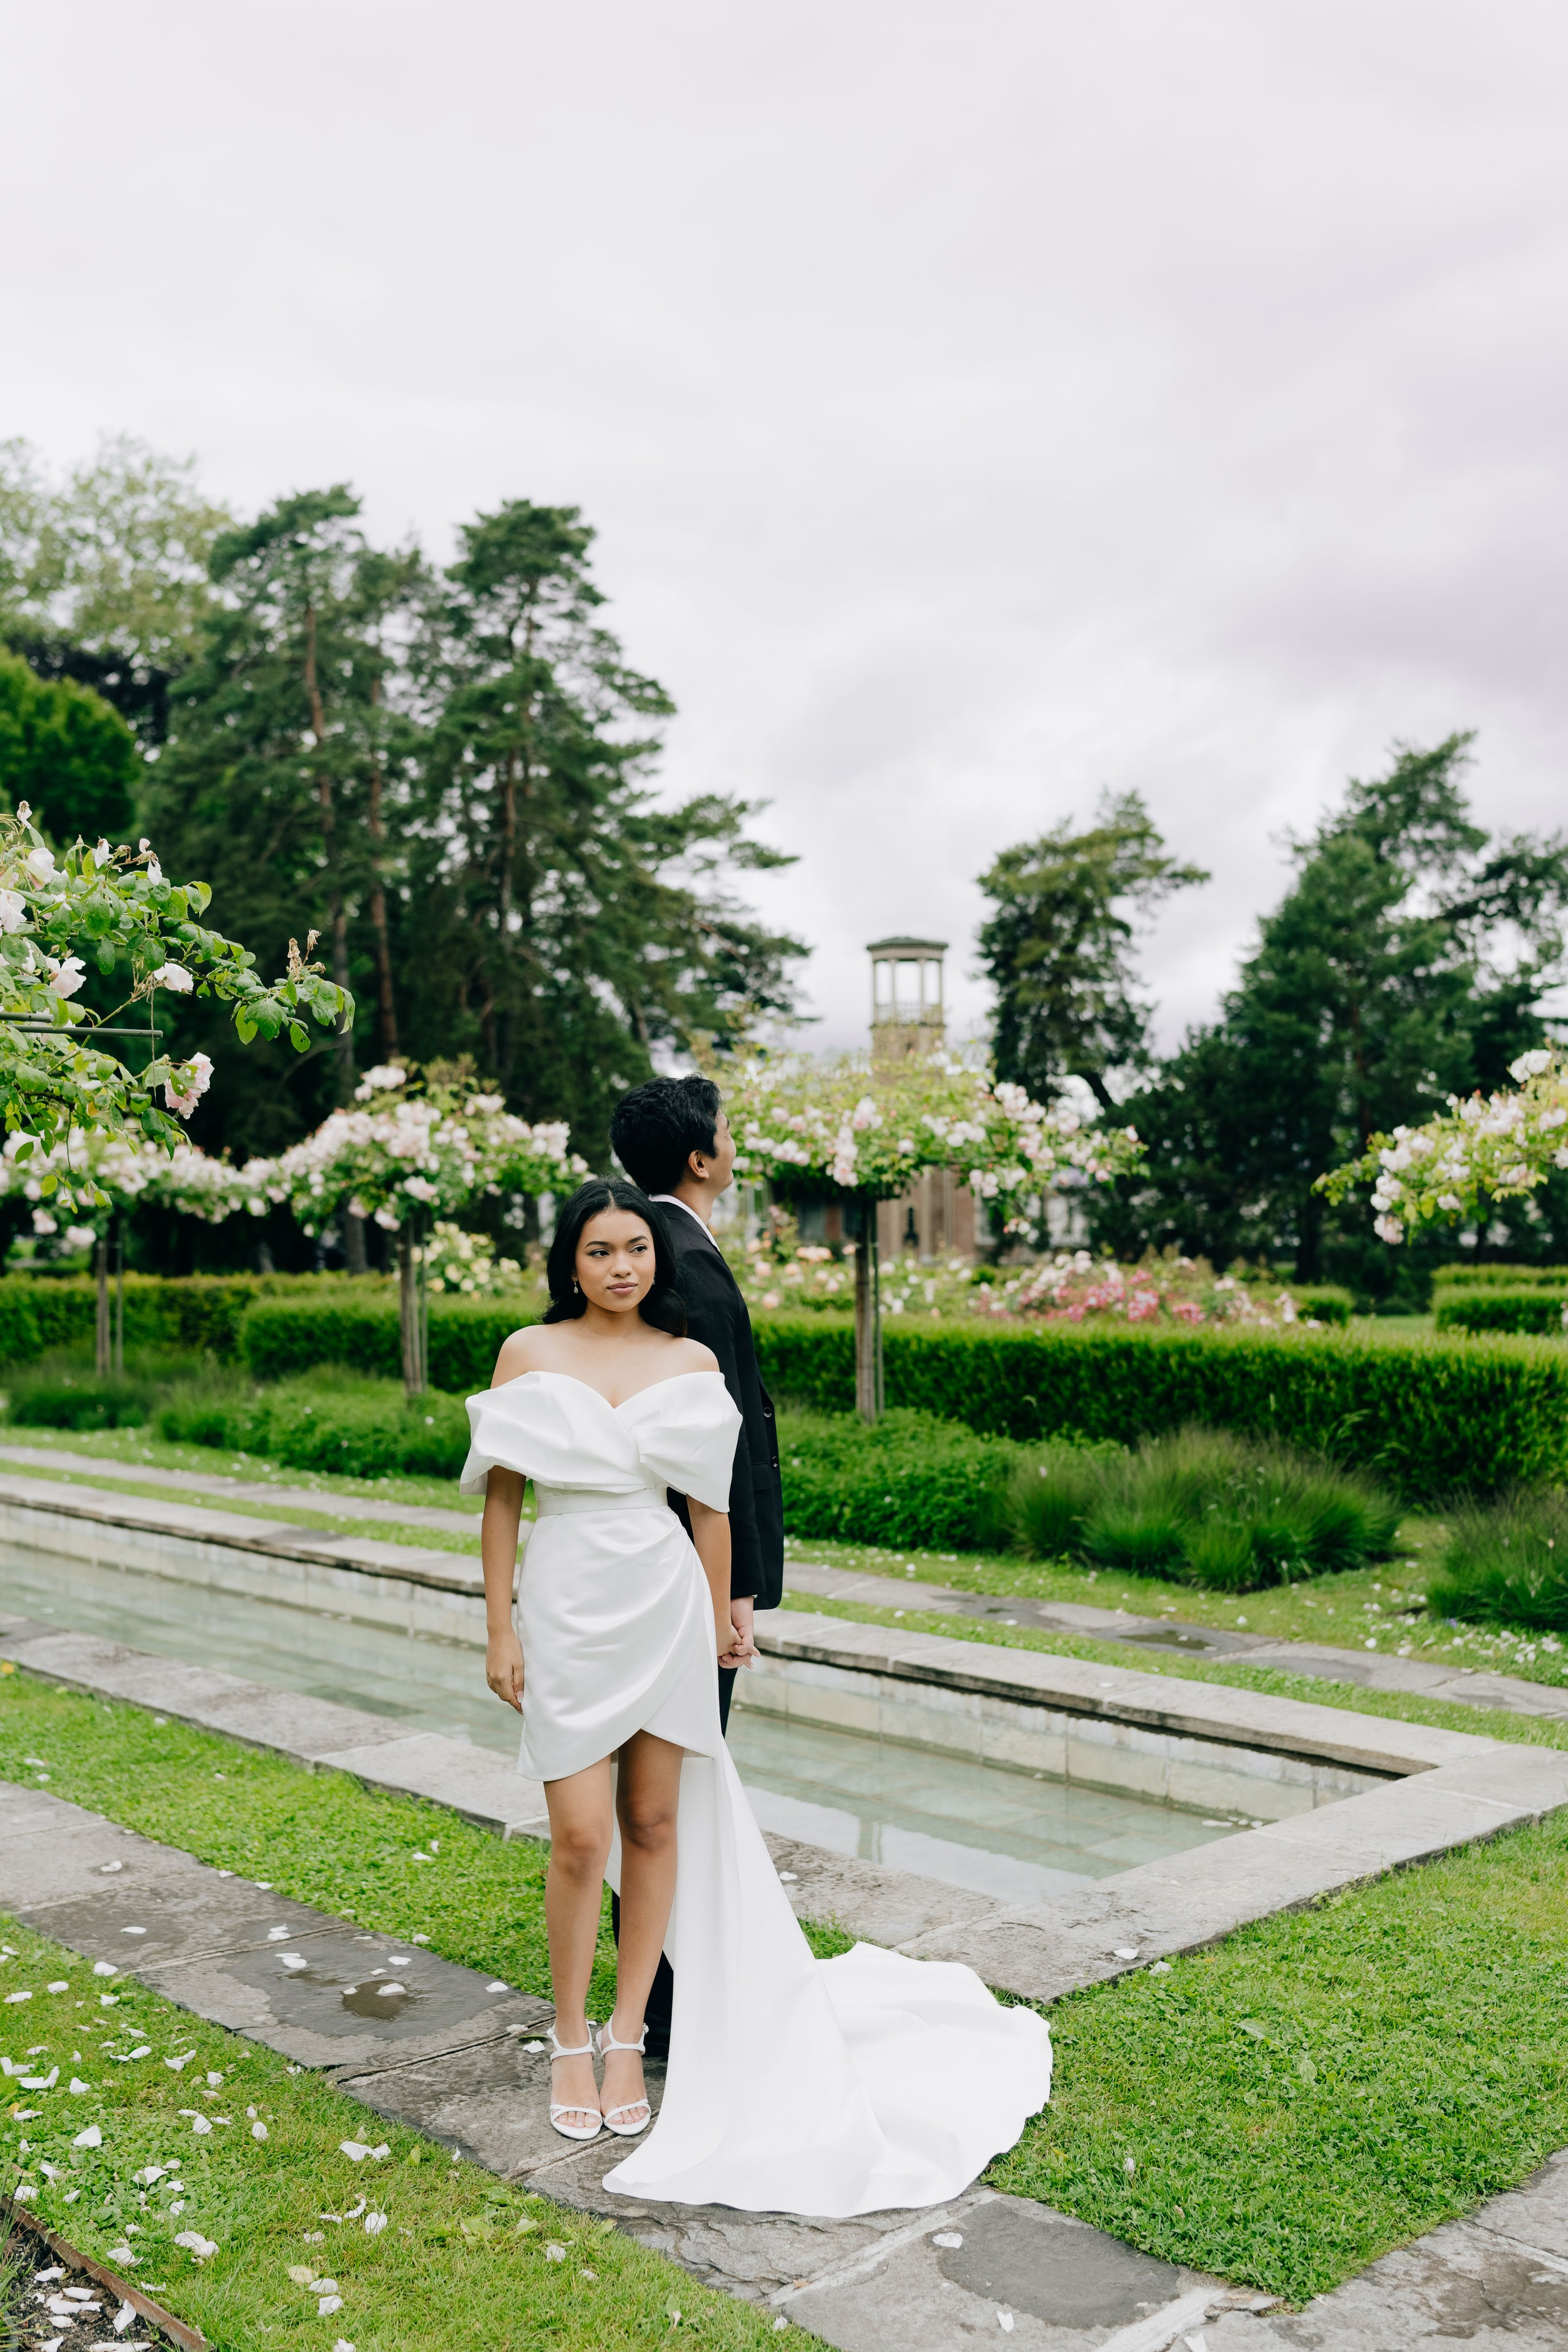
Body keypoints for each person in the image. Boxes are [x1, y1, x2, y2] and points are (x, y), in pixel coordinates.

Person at [466, 1177, 1052, 2215]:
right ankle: (565, 2036)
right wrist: (501, 1624)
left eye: (636, 1249)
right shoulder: (528, 1353)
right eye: (600, 1251)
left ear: (658, 1258)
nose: (622, 1268)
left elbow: (710, 1508)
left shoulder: (689, 1361)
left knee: (652, 1824)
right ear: (570, 1262)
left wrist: (723, 1613)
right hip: (566, 1600)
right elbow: (504, 1499)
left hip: (661, 1601)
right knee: (579, 1838)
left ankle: (628, 2039)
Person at [607, 1073, 782, 2056]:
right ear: (701, 1159)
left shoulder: (644, 1252)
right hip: (685, 1570)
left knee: (656, 1786)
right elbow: (717, 1450)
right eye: (725, 1133)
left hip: (648, 1563)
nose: (731, 1144)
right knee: (669, 1788)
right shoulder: (686, 1266)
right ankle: (670, 2003)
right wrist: (735, 1594)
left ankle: (664, 1989)